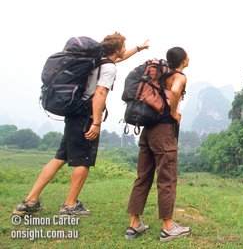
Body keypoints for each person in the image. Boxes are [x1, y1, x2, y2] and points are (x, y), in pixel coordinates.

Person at [12, 32, 149, 217]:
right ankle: (70, 206)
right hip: (86, 115)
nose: (125, 49)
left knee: (60, 158)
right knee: (83, 160)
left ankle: (29, 202)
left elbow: (120, 58)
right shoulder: (108, 68)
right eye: (124, 46)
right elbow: (100, 93)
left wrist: (139, 48)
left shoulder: (97, 61)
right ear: (116, 49)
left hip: (73, 112)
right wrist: (96, 122)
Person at [125, 47, 190, 242]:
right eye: (187, 55)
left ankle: (134, 224)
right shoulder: (179, 76)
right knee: (167, 178)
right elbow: (176, 90)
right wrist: (173, 113)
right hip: (163, 132)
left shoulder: (160, 75)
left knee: (142, 177)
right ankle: (168, 227)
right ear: (183, 60)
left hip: (148, 130)